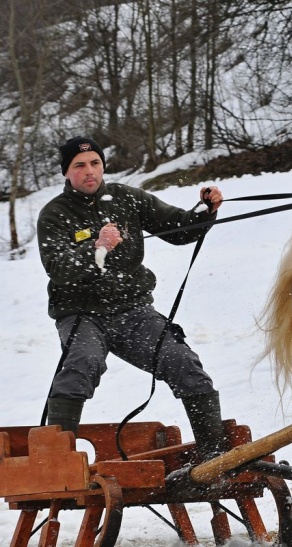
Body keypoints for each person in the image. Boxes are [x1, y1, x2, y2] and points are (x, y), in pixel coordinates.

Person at [37, 136, 228, 461]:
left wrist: (205, 211)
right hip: (82, 314)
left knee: (184, 362)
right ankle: (57, 461)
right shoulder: (54, 214)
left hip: (133, 311)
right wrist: (96, 247)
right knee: (82, 363)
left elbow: (179, 229)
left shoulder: (127, 198)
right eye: (79, 166)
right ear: (66, 173)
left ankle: (216, 458)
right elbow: (58, 269)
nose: (89, 171)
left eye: (95, 163)